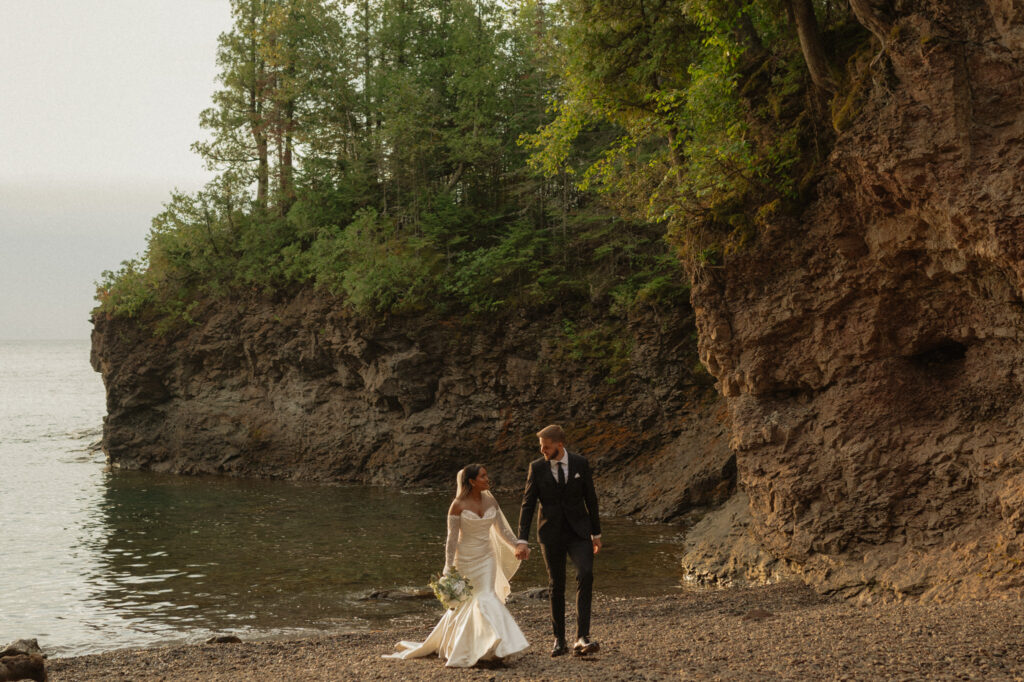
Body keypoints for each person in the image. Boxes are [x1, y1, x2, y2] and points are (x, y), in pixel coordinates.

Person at [384, 464, 529, 668]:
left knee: (486, 596)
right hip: (465, 559)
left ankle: (496, 645)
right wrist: (448, 568)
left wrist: (518, 545)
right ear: (471, 481)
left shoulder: (491, 500)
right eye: (483, 476)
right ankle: (472, 646)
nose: (488, 479)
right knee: (467, 604)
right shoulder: (457, 505)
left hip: (487, 557)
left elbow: (502, 530)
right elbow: (452, 540)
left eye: (487, 475)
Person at [516, 424, 602, 657]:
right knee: (557, 585)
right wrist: (521, 539)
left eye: (546, 446)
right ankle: (559, 639)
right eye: (541, 446)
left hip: (579, 532)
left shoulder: (580, 464)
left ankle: (582, 637)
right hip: (550, 533)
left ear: (559, 445)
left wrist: (596, 533)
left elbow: (591, 499)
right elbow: (528, 504)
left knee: (585, 574)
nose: (542, 450)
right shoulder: (536, 468)